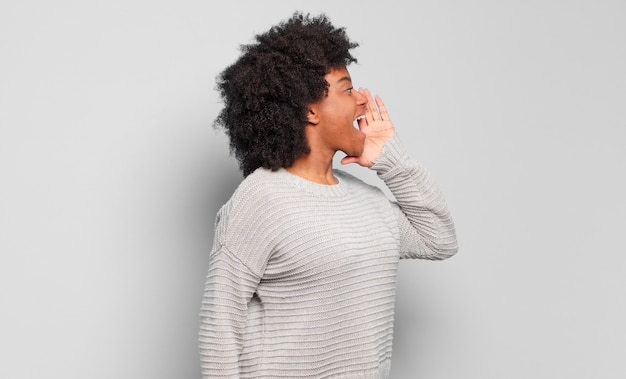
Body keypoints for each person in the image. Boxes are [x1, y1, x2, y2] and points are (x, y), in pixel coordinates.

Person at [199, 12, 458, 379]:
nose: (363, 102)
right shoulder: (261, 198)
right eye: (347, 89)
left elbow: (439, 240)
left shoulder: (367, 200)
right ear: (309, 110)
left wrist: (391, 160)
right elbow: (219, 328)